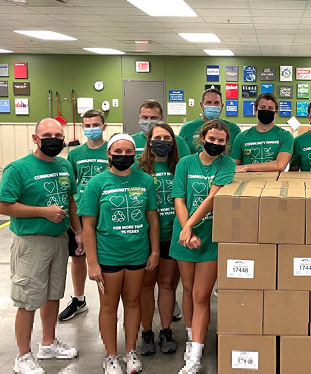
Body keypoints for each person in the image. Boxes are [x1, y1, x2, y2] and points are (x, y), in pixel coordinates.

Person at [0, 119, 81, 374]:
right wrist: (43, 212)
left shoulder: (65, 165)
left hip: (59, 240)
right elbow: (4, 206)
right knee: (28, 301)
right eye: (47, 135)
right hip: (31, 243)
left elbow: (70, 201)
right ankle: (23, 356)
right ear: (35, 139)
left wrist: (78, 233)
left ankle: (48, 343)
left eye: (58, 135)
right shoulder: (17, 169)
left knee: (53, 294)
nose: (54, 139)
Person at [80, 134, 159, 374]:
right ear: (109, 154)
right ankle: (111, 356)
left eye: (128, 152)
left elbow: (152, 218)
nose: (123, 156)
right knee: (109, 306)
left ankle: (131, 350)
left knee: (134, 303)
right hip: (108, 257)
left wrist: (155, 250)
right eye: (118, 151)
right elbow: (88, 226)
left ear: (135, 155)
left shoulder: (145, 181)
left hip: (137, 254)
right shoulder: (97, 183)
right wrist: (92, 263)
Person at [172, 120, 235, 374]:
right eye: (212, 139)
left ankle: (195, 356)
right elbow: (178, 196)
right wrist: (185, 228)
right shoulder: (185, 163)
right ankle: (192, 339)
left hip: (210, 236)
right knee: (187, 291)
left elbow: (212, 197)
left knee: (201, 295)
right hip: (184, 236)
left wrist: (190, 227)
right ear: (202, 137)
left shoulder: (226, 164)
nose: (216, 144)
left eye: (221, 141)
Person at [135, 121, 183, 358]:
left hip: (172, 236)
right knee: (146, 286)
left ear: (173, 142)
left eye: (166, 138)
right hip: (145, 238)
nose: (161, 142)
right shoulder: (140, 168)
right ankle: (146, 332)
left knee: (166, 284)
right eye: (157, 138)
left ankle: (165, 330)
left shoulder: (180, 167)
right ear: (149, 141)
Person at [61, 109, 111, 323]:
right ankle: (79, 299)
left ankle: (110, 301)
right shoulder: (74, 154)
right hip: (82, 211)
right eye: (87, 125)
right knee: (78, 256)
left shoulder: (112, 149)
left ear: (104, 126)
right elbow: (72, 186)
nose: (91, 129)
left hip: (107, 212)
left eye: (95, 125)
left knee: (108, 259)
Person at [231, 93, 294, 173]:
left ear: (276, 113)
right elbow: (234, 167)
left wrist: (246, 167)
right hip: (248, 183)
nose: (266, 111)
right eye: (262, 107)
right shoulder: (241, 137)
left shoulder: (285, 136)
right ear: (256, 111)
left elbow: (280, 165)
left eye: (270, 108)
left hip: (274, 183)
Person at [176, 87, 240, 155]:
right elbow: (179, 154)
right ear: (201, 105)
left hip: (225, 165)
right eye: (209, 102)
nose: (212, 106)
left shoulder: (234, 129)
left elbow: (238, 158)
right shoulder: (187, 128)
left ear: (222, 106)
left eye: (216, 103)